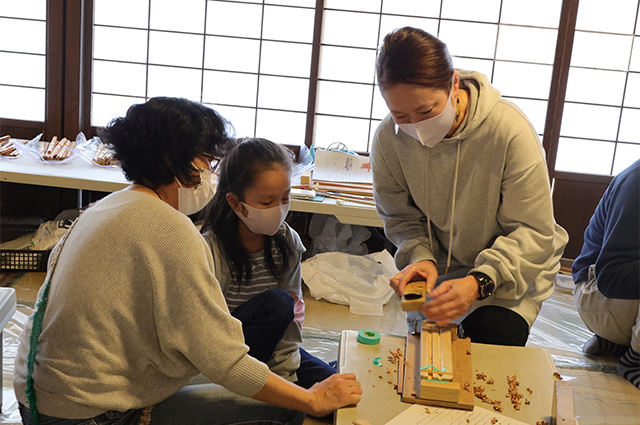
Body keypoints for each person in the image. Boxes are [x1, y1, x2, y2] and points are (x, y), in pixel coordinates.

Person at [13, 97, 361, 425]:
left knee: (302, 372)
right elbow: (225, 361)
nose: (210, 173)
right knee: (289, 409)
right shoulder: (173, 230)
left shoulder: (105, 207)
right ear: (175, 162)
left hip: (39, 400)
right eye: (207, 162)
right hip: (91, 413)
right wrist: (309, 400)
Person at [371, 27, 568, 346]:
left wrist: (479, 281)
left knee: (491, 334)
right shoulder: (387, 140)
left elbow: (534, 232)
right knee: (430, 357)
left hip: (510, 276)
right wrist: (420, 259)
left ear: (453, 84)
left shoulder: (508, 132)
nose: (417, 128)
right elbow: (400, 219)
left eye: (426, 111)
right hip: (442, 274)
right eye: (400, 115)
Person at [201, 137, 336, 389]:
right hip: (225, 353)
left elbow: (291, 322)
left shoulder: (287, 242)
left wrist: (286, 375)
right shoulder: (210, 248)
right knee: (277, 304)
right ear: (234, 202)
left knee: (333, 386)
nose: (278, 209)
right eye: (266, 202)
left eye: (285, 198)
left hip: (271, 346)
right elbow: (208, 330)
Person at [572, 159, 640, 389]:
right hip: (597, 293)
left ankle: (618, 343)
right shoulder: (636, 182)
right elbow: (610, 276)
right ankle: (635, 361)